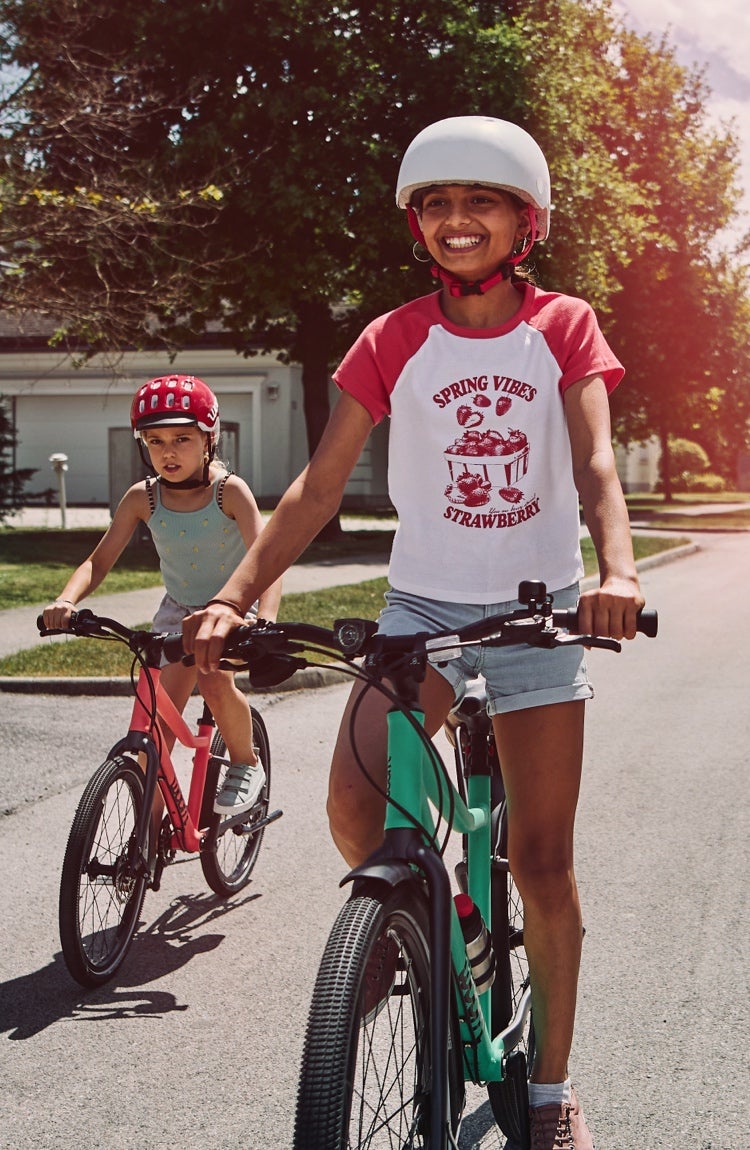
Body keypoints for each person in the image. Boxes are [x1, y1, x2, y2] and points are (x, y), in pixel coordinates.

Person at [182, 116, 644, 1149]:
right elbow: (315, 486)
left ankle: (549, 1090)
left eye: (478, 201)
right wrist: (238, 592)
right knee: (355, 802)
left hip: (540, 614)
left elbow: (599, 463)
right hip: (423, 611)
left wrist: (616, 571)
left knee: (541, 858)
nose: (454, 219)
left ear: (523, 221)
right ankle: (422, 919)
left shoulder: (563, 325)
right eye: (434, 204)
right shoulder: (392, 337)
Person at [43, 374, 282, 817]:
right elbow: (98, 561)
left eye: (181, 439)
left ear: (209, 438)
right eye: (155, 441)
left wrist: (263, 620)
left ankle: (246, 762)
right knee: (155, 735)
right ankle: (147, 838)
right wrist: (66, 600)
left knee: (212, 678)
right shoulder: (143, 498)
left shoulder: (229, 492)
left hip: (230, 612)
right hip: (176, 613)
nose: (168, 452)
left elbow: (267, 561)